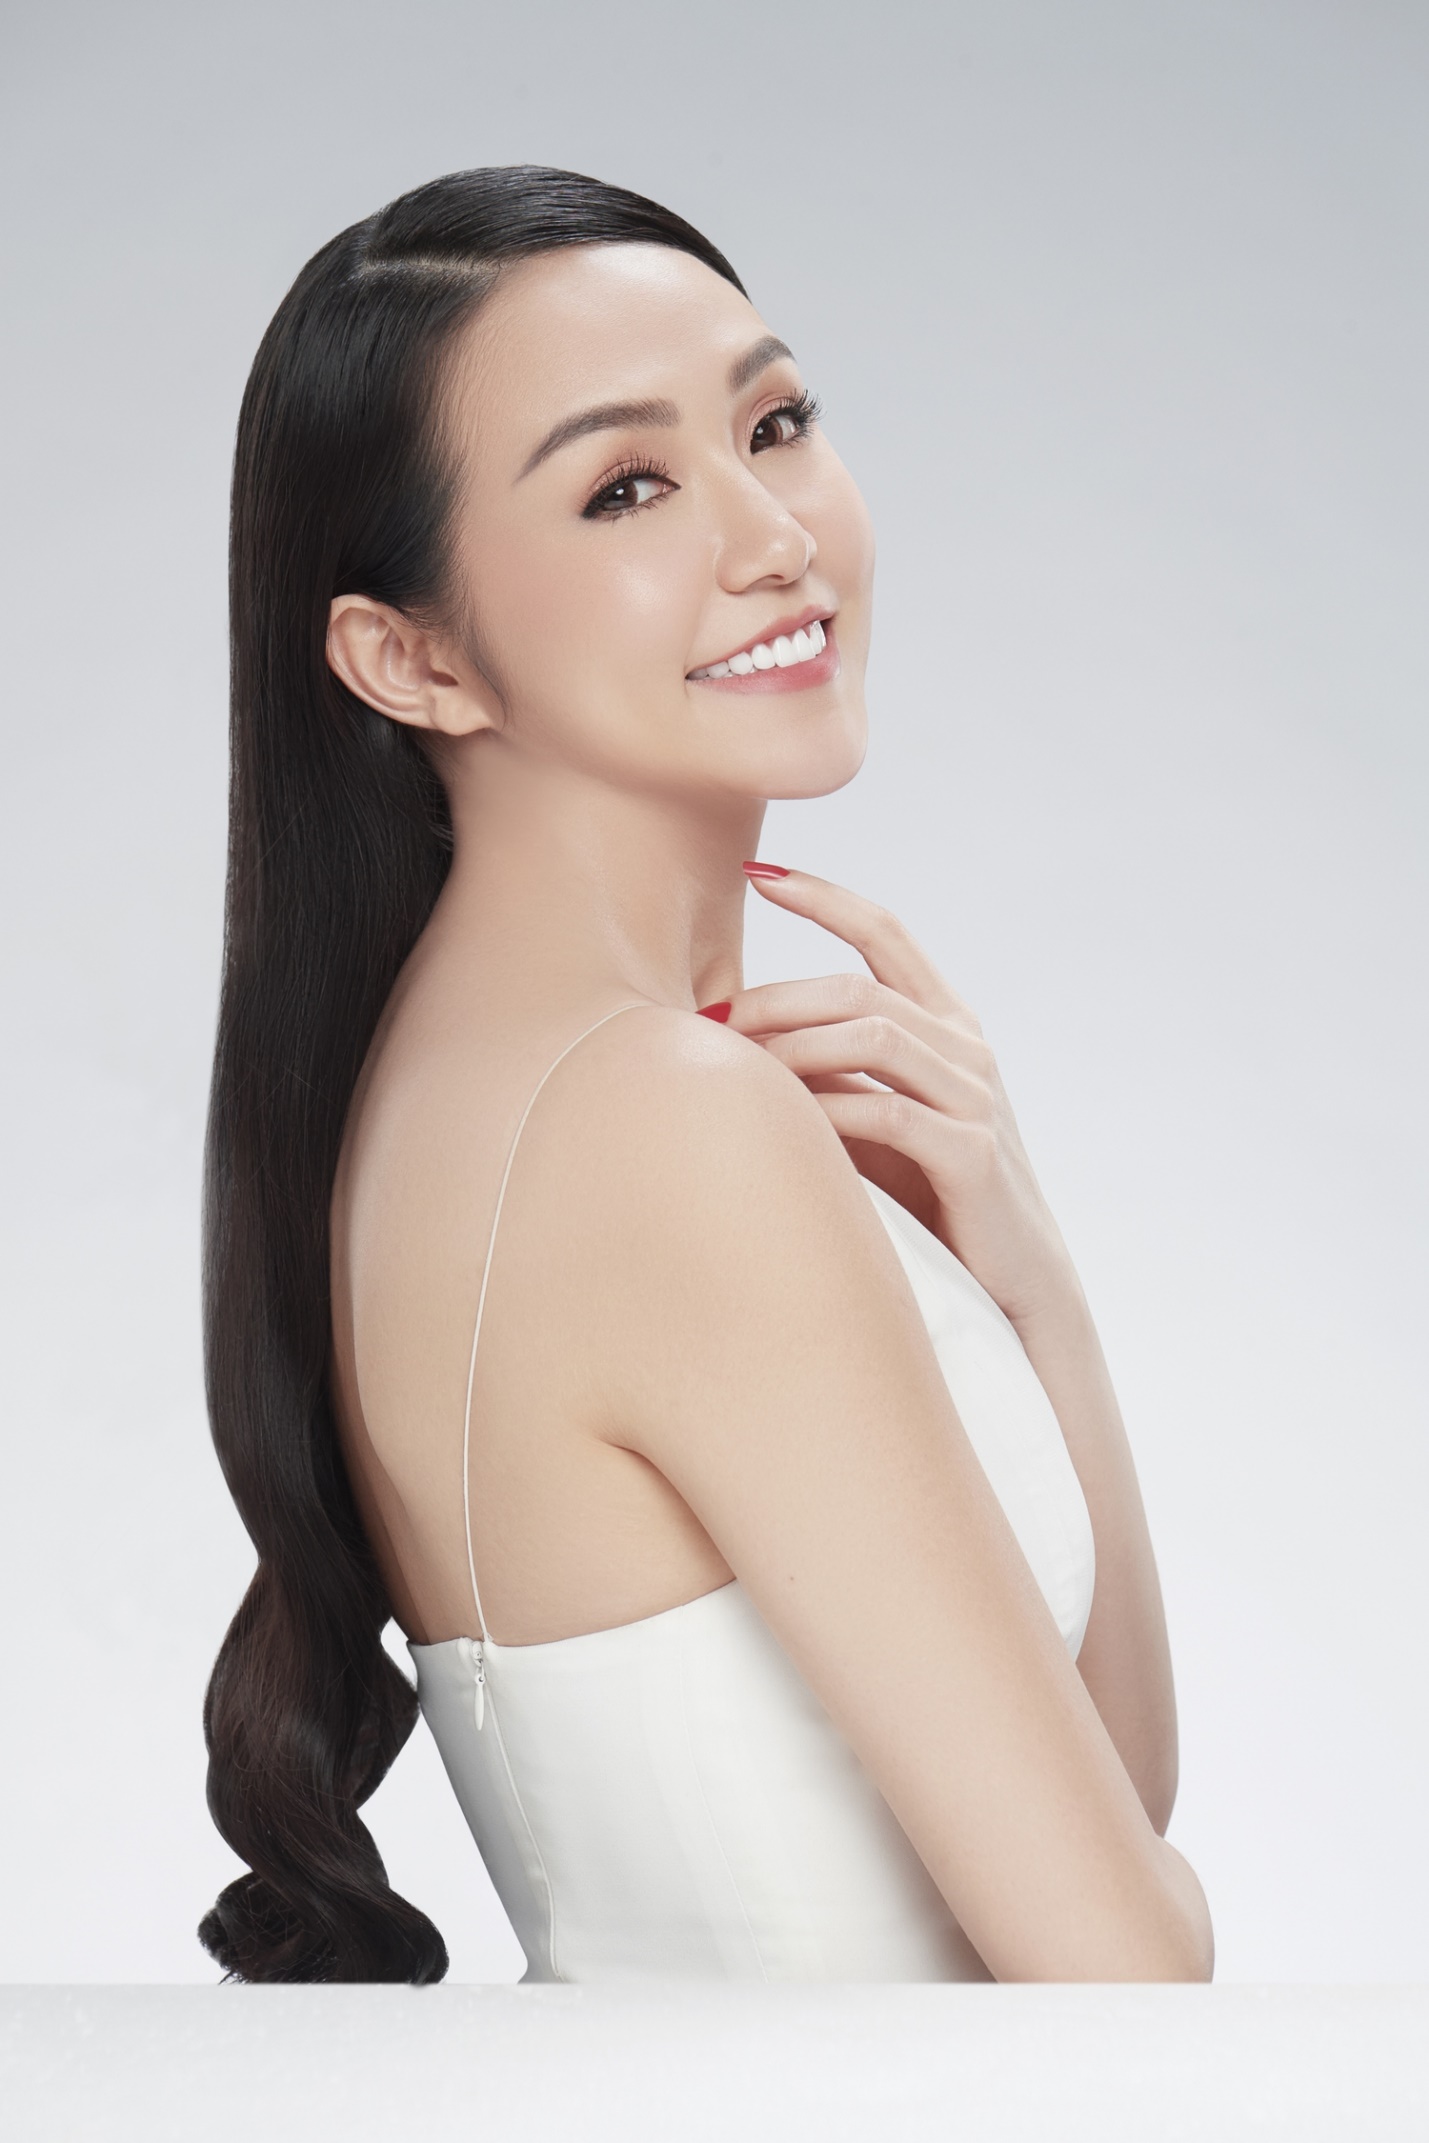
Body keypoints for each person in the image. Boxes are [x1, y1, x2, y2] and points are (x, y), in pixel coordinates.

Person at [199, 165, 1213, 1986]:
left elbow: (1109, 1799)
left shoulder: (459, 1085)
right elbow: (1125, 1964)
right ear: (409, 658)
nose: (772, 536)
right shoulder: (655, 1119)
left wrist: (1027, 1284)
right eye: (626, 488)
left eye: (776, 423)